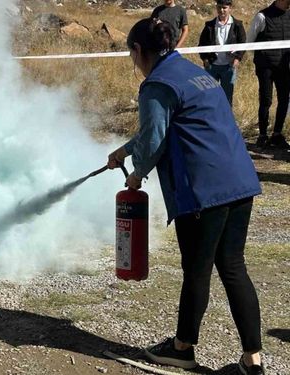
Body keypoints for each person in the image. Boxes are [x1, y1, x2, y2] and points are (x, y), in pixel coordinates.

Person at [107, 18, 265, 375]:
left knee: (196, 270)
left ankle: (181, 349)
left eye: (132, 55)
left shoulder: (156, 85)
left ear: (137, 50)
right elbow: (168, 128)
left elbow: (154, 141)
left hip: (204, 190)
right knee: (233, 266)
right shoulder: (194, 73)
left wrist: (136, 173)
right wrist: (125, 150)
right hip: (239, 181)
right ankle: (252, 362)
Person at [247, 0, 290, 149]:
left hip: (284, 67)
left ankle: (277, 134)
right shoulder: (262, 16)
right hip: (265, 67)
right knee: (266, 99)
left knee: (284, 99)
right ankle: (263, 135)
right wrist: (263, 56)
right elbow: (249, 41)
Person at [198, 0, 246, 105]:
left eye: (224, 7)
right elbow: (201, 44)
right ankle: (211, 120)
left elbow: (243, 44)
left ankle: (226, 120)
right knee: (210, 96)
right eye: (219, 7)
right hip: (212, 66)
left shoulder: (238, 25)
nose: (222, 10)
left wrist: (237, 58)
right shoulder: (209, 25)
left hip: (229, 67)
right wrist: (205, 59)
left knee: (227, 97)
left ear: (230, 8)